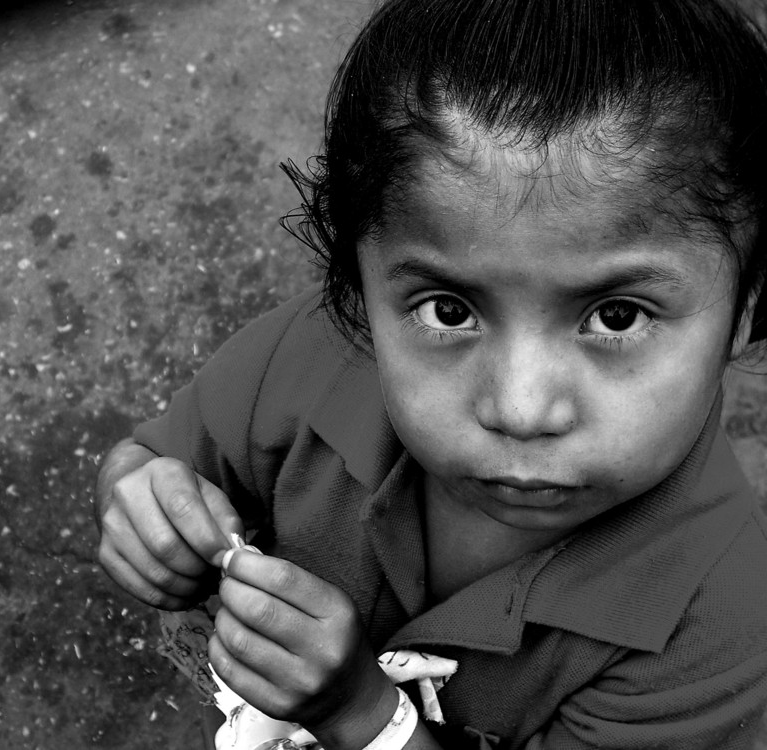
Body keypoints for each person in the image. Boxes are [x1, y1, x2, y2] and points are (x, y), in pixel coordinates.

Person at [94, 0, 767, 747]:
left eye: (615, 317)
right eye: (449, 311)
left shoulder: (723, 626)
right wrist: (142, 505)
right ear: (357, 285)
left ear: (745, 308)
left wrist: (361, 715)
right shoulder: (309, 357)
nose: (520, 408)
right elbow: (162, 460)